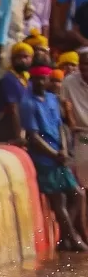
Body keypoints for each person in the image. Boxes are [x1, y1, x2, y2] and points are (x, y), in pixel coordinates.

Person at [20, 64, 86, 250]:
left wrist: (63, 149)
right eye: (37, 79)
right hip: (45, 159)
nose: (41, 82)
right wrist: (54, 154)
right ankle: (73, 239)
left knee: (78, 195)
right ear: (32, 80)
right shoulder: (28, 103)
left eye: (44, 78)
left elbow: (60, 127)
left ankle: (65, 238)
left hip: (59, 154)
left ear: (49, 80)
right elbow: (33, 137)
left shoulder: (51, 99)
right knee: (59, 201)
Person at [60, 47, 88, 185]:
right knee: (84, 181)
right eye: (83, 63)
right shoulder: (69, 82)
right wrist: (71, 121)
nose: (86, 67)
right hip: (82, 134)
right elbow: (65, 105)